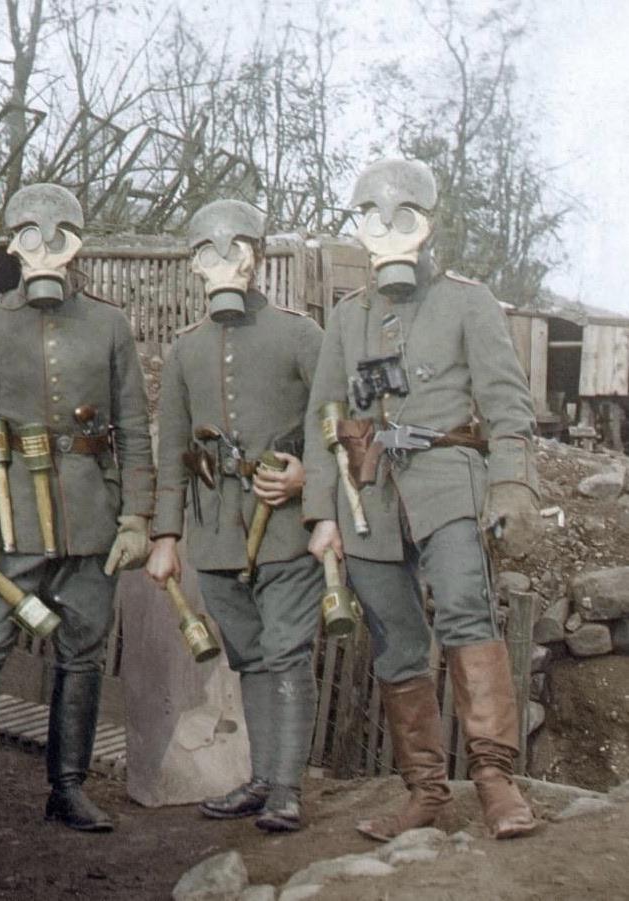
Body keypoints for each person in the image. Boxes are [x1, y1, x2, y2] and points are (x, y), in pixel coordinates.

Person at [0, 183, 155, 853]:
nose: (44, 252)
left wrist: (135, 514)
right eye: (30, 237)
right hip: (6, 522)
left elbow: (132, 426)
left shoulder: (108, 325)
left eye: (59, 237)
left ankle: (66, 788)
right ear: (11, 244)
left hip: (89, 520)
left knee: (82, 650)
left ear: (77, 246)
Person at [303, 158, 542, 841]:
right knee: (395, 641)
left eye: (400, 220)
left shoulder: (467, 301)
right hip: (368, 498)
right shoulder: (346, 317)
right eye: (370, 221)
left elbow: (506, 403)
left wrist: (509, 484)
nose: (386, 235)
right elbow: (320, 416)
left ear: (427, 225)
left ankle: (495, 780)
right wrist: (322, 512)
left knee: (468, 614)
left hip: (448, 487)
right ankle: (425, 792)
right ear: (357, 230)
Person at [145, 200, 325, 833]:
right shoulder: (185, 350)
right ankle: (261, 779)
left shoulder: (300, 334)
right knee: (249, 655)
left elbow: (333, 426)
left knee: (286, 650)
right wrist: (166, 536)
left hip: (285, 524)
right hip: (216, 529)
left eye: (235, 251)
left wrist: (309, 481)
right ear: (194, 265)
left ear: (257, 258)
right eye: (208, 253)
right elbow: (171, 451)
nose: (223, 264)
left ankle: (286, 790)